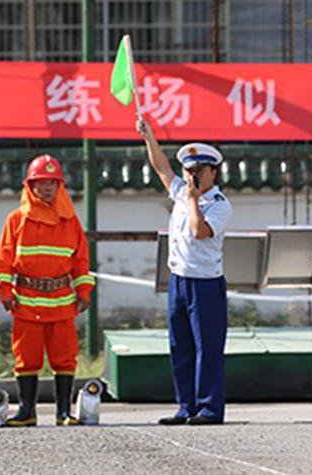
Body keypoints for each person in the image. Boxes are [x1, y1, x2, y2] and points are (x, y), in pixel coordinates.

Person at [137, 119, 233, 425]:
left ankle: (209, 408)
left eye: (199, 170)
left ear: (213, 172)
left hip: (205, 283)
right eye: (189, 169)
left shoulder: (218, 204)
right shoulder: (180, 192)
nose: (192, 175)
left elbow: (198, 232)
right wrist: (148, 136)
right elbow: (162, 168)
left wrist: (193, 200)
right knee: (180, 346)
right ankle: (186, 406)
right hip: (178, 280)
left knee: (207, 348)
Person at [0, 154, 95, 427]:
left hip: (61, 302)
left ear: (59, 186)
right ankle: (27, 412)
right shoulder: (16, 220)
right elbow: (4, 261)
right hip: (26, 302)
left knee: (64, 357)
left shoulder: (70, 222)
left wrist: (83, 291)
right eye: (41, 182)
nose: (47, 188)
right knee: (26, 358)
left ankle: (64, 412)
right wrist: (5, 291)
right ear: (30, 186)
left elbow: (81, 262)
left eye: (52, 182)